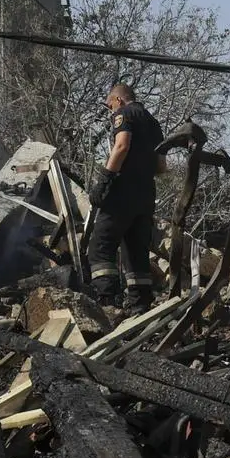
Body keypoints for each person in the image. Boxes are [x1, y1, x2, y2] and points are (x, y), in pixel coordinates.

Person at [86, 82, 164, 312]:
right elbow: (161, 165)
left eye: (110, 105)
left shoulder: (123, 114)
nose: (110, 110)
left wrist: (105, 180)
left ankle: (108, 303)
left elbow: (121, 146)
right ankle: (140, 305)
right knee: (136, 251)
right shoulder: (153, 122)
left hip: (122, 193)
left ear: (118, 100)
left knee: (100, 246)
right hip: (146, 194)